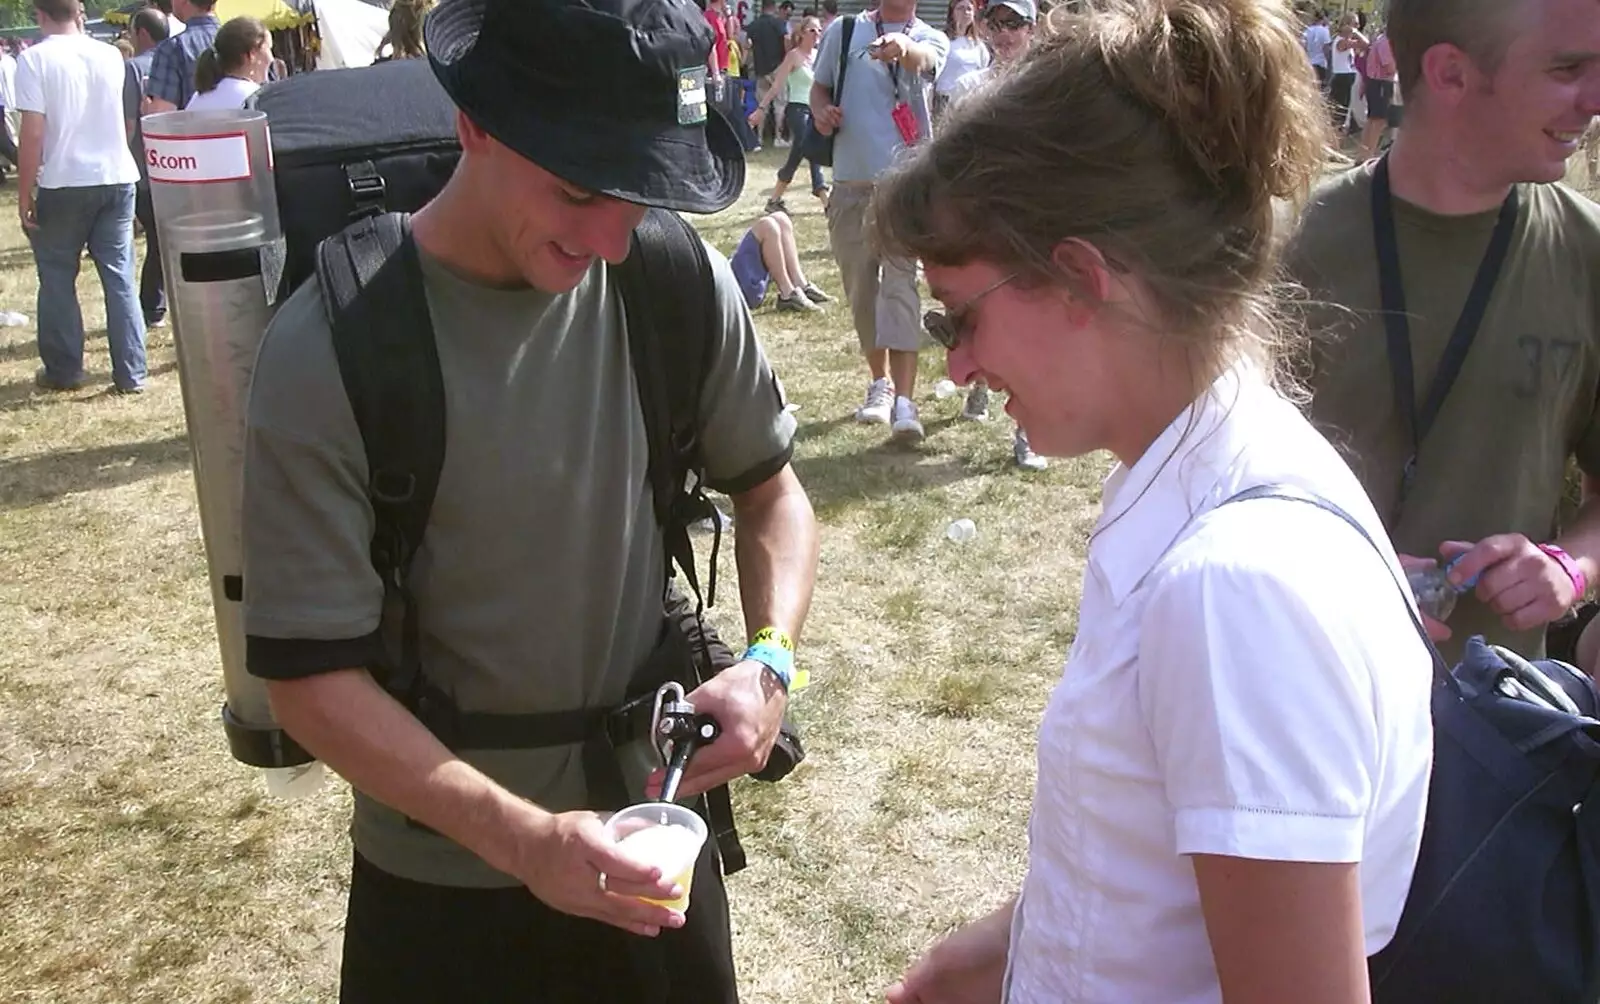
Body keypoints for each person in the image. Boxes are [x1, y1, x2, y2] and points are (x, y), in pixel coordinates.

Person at [240, 0, 820, 1000]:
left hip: (649, 854)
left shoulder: (668, 278)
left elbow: (772, 491)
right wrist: (527, 839)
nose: (610, 236)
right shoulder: (330, 349)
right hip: (441, 890)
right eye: (580, 187)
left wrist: (769, 661)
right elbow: (309, 680)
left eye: (641, 193)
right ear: (476, 123)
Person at [876, 2, 1433, 1001]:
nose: (956, 362)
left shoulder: (1235, 590)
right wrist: (1009, 943)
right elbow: (1165, 866)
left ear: (1080, 277)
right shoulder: (1204, 481)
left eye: (961, 316)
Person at [1291, 0, 1600, 665]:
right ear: (1451, 74)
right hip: (1302, 694)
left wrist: (1570, 567)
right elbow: (1191, 491)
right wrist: (1331, 572)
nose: (1595, 99)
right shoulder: (1289, 250)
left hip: (1497, 732)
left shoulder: (1588, 256)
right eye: (1569, 67)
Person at [811, 0, 948, 441]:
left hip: (902, 188)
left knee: (901, 287)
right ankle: (880, 384)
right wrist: (822, 112)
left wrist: (903, 45)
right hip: (850, 186)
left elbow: (925, 62)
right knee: (862, 291)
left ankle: (906, 403)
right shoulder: (845, 31)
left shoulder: (931, 35)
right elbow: (820, 88)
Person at [17, 0, 146, 394]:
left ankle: (65, 368)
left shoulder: (34, 60)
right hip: (115, 174)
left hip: (63, 179)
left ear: (40, 15)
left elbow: (33, 132)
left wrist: (25, 191)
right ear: (78, 12)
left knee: (57, 277)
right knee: (119, 276)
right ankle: (131, 371)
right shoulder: (110, 55)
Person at [946, 0, 1045, 471]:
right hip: (981, 223)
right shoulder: (969, 89)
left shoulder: (1048, 90)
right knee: (982, 313)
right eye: (997, 23)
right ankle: (982, 385)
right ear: (984, 29)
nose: (1006, 33)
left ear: (1032, 28)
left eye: (1016, 23)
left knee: (1032, 326)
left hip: (1032, 225)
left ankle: (1026, 432)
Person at [749, 15, 827, 213]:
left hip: (815, 110)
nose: (817, 34)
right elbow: (776, 86)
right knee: (810, 146)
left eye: (819, 30)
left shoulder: (820, 55)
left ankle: (774, 199)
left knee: (797, 154)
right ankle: (824, 196)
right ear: (801, 34)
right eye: (812, 30)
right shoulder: (793, 56)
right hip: (797, 109)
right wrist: (761, 109)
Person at [123, 6, 167, 329]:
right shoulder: (178, 60)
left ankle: (152, 306)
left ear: (141, 33)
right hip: (184, 165)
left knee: (156, 239)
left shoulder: (133, 70)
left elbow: (128, 127)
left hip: (147, 171)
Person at [729, 209, 832, 313]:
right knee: (767, 226)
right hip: (735, 287)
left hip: (736, 280)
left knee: (781, 218)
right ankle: (787, 293)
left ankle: (800, 285)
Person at [143, 0, 219, 112]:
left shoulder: (172, 48)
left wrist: (147, 108)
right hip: (236, 127)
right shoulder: (237, 42)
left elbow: (162, 115)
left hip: (191, 127)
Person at [185, 16, 271, 110]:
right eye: (268, 48)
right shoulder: (258, 99)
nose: (271, 58)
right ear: (252, 54)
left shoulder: (198, 98)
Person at [932, 0, 987, 120]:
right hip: (945, 100)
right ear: (952, 12)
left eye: (969, 9)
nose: (965, 12)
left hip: (970, 99)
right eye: (961, 8)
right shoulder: (943, 40)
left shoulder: (978, 45)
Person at [747, 0, 789, 146]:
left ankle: (759, 137)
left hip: (761, 70)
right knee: (780, 103)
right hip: (777, 68)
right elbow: (786, 41)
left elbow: (747, 44)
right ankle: (778, 137)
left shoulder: (754, 25)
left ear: (762, 7)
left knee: (761, 105)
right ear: (774, 7)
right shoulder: (778, 24)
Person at [1359, 20, 1397, 159]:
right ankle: (1368, 155)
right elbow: (1390, 68)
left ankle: (1364, 155)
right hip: (1381, 83)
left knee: (1373, 119)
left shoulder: (1382, 41)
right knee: (1378, 120)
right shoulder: (1386, 43)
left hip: (1376, 83)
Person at [1329, 12, 1366, 133]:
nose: (1358, 26)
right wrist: (1355, 32)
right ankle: (1336, 135)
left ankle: (1341, 132)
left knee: (1345, 110)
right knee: (1340, 111)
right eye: (1355, 24)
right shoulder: (1341, 41)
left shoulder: (1347, 41)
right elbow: (1366, 44)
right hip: (1342, 77)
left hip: (1347, 76)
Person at [1302, 7, 1331, 87]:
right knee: (1320, 87)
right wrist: (1328, 61)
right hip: (1321, 63)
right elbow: (1326, 48)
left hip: (1309, 62)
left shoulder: (1308, 30)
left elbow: (1303, 46)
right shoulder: (1325, 31)